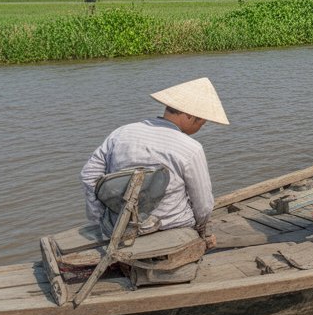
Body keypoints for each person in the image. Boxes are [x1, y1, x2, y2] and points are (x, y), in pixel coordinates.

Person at [81, 77, 228, 249]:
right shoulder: (191, 148)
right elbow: (203, 205)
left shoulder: (121, 133)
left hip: (119, 225)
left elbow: (88, 175)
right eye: (202, 122)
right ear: (189, 116)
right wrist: (201, 230)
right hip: (171, 225)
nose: (201, 127)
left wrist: (99, 218)